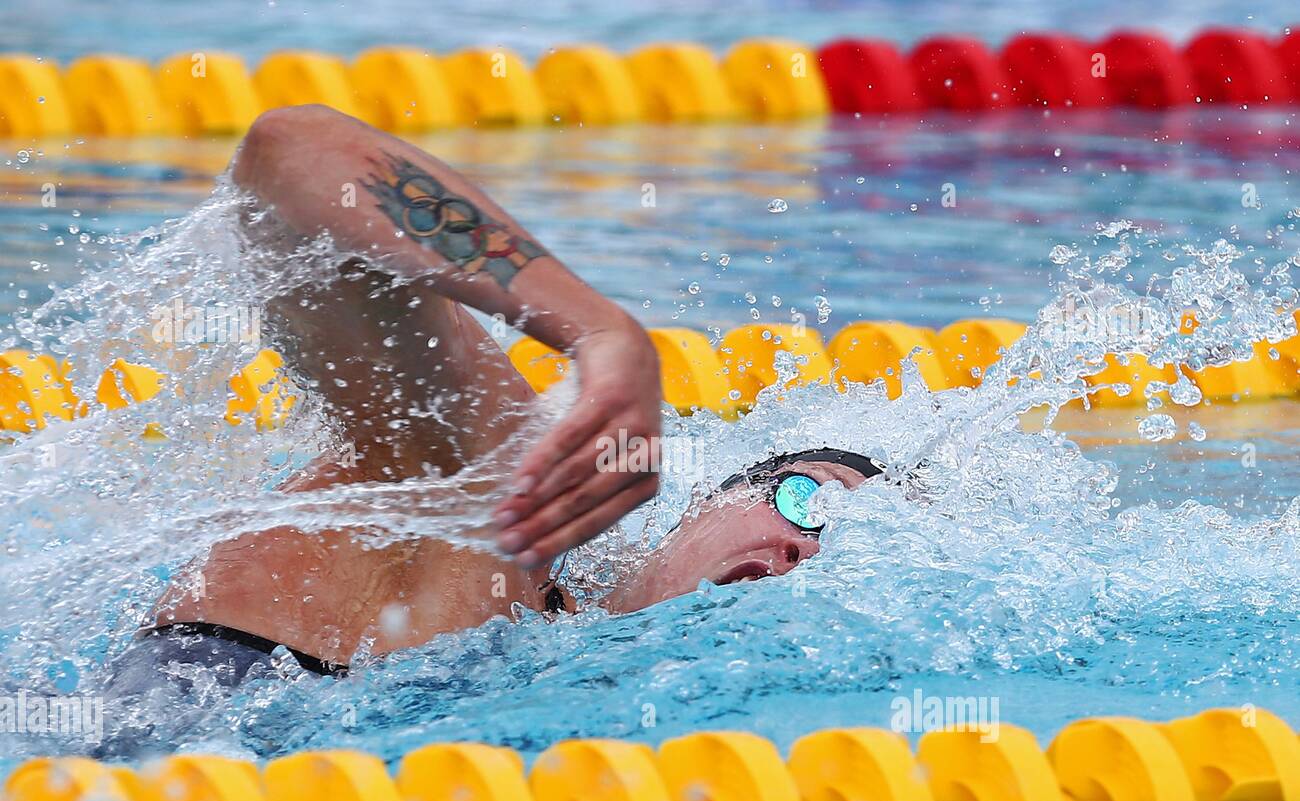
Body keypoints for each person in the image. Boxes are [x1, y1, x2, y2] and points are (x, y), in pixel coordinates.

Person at [108, 105, 881, 689]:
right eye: (810, 501)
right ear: (709, 500)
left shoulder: (585, 688)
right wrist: (605, 335)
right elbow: (293, 152)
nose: (805, 550)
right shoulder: (480, 497)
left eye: (846, 553)